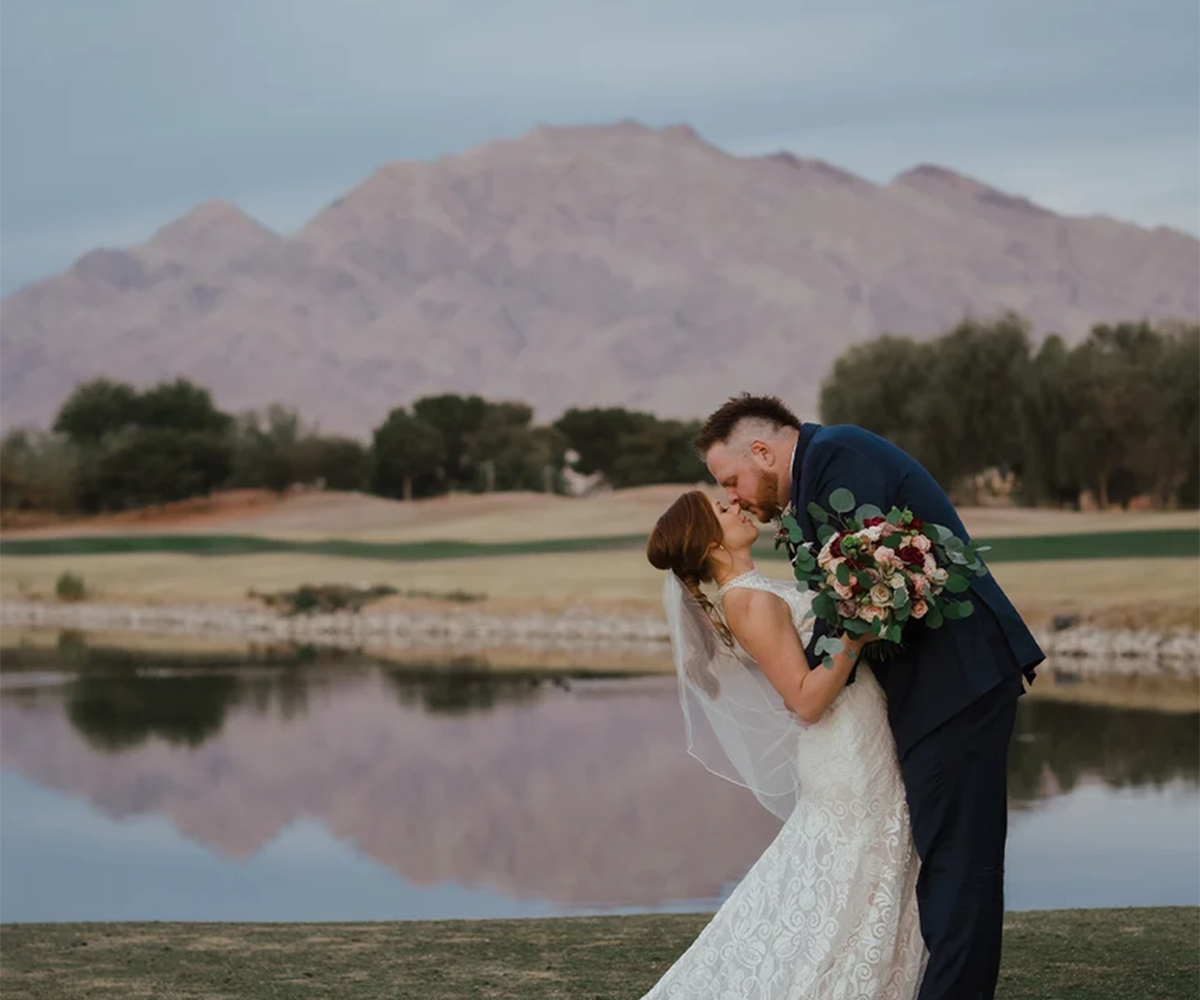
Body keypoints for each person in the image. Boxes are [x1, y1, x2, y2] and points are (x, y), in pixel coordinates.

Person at [696, 394, 1044, 1000]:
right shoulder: (817, 477)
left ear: (762, 450)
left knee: (960, 866)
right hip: (926, 695)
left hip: (956, 683)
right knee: (947, 863)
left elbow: (870, 578)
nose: (736, 495)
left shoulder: (837, 457)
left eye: (732, 479)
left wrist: (812, 675)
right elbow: (851, 592)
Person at [639, 489, 926, 999]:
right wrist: (856, 632)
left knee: (848, 885)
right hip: (847, 752)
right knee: (858, 882)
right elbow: (804, 700)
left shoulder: (751, 590)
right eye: (724, 511)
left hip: (856, 739)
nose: (738, 507)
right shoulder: (750, 601)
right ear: (708, 541)